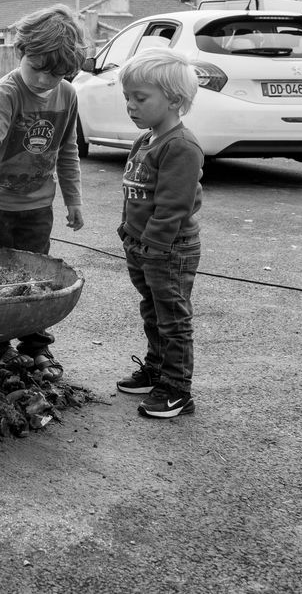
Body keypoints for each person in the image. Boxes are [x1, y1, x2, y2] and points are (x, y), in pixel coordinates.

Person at [0, 5, 87, 358]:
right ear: (21, 52)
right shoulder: (7, 92)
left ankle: (35, 345)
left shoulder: (68, 96)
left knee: (34, 277)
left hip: (37, 208)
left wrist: (74, 200)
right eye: (36, 68)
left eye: (56, 74)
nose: (44, 81)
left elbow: (67, 149)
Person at [112, 47, 205, 419]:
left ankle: (177, 389)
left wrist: (153, 244)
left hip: (168, 249)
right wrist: (127, 230)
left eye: (140, 98)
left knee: (173, 317)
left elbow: (173, 206)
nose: (130, 105)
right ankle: (156, 369)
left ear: (174, 100)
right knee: (152, 310)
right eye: (127, 97)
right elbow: (134, 191)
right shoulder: (145, 140)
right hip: (142, 245)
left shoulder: (181, 146)